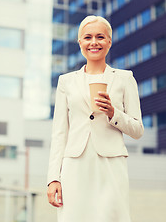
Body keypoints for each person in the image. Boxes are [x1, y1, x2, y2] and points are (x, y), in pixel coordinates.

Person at [47, 15, 144, 222]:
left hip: (111, 165)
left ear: (109, 41)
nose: (94, 42)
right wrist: (53, 178)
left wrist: (113, 113)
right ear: (80, 42)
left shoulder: (125, 78)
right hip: (74, 166)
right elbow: (59, 133)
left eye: (100, 37)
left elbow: (137, 130)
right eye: (88, 37)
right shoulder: (66, 82)